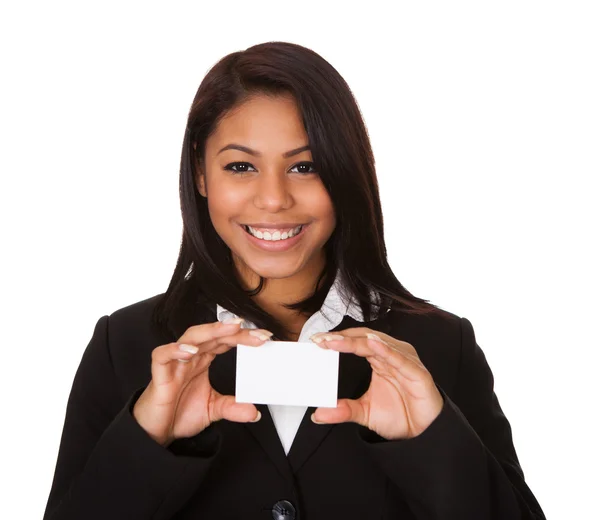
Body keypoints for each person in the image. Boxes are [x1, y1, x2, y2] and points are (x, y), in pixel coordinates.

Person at [43, 41, 546, 520]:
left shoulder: (438, 345)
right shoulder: (126, 345)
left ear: (345, 172)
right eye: (240, 166)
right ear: (200, 173)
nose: (273, 199)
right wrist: (144, 440)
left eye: (305, 166)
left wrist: (434, 441)